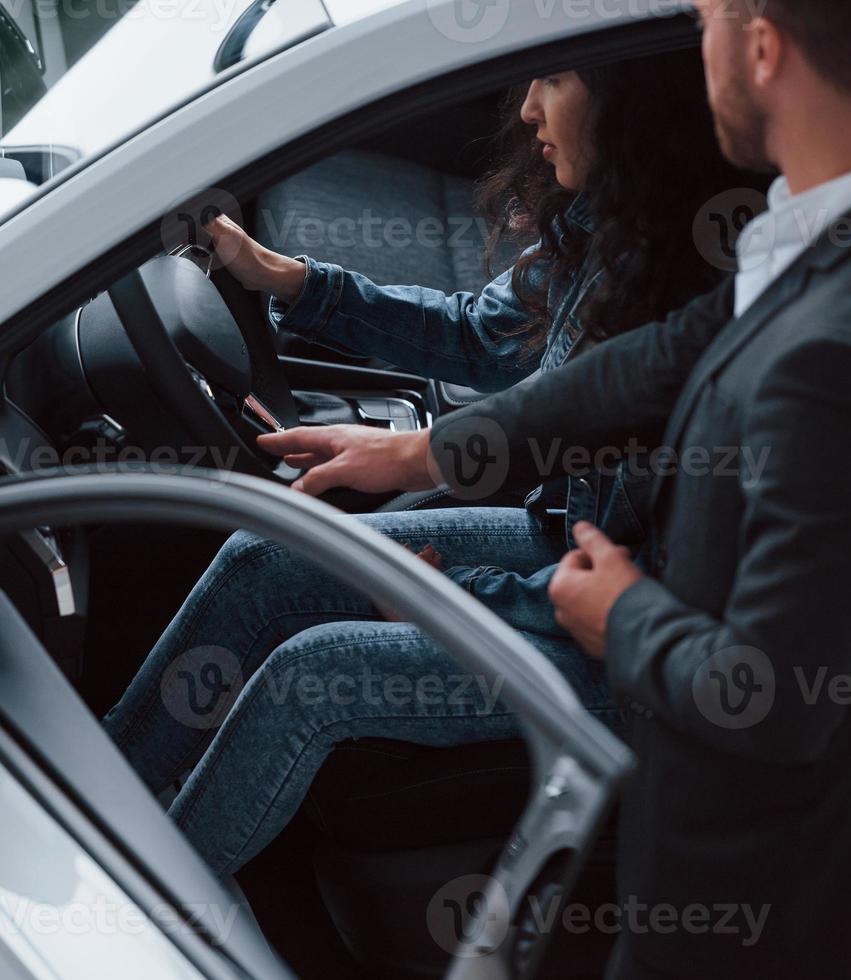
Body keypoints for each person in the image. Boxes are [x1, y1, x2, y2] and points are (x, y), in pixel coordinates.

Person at [260, 1, 851, 977]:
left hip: (784, 877)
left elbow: (773, 697)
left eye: (701, 21)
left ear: (760, 46)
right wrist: (427, 452)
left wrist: (619, 612)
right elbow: (664, 358)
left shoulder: (850, 357)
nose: (688, 51)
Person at [102, 48, 755, 878]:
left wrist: (449, 591)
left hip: (634, 656)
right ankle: (109, 791)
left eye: (553, 81)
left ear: (638, 105)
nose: (524, 111)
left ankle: (135, 906)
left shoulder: (708, 311)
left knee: (314, 676)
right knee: (262, 558)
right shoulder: (615, 223)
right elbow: (479, 334)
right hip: (570, 541)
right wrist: (281, 278)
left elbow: (646, 593)